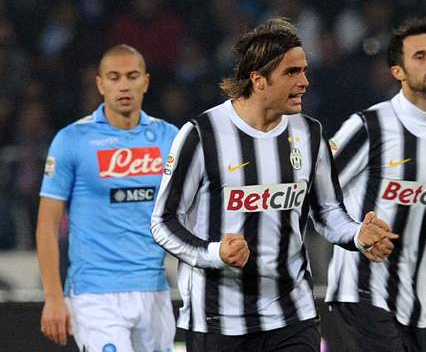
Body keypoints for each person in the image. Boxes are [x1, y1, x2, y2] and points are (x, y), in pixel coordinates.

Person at [151, 18, 398, 352]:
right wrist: (214, 253)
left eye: (305, 70)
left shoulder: (309, 135)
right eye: (292, 72)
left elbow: (326, 211)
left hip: (292, 315)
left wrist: (358, 235)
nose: (305, 82)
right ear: (258, 79)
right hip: (218, 320)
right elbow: (163, 222)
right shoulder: (202, 135)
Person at [325, 18, 426, 352]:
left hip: (413, 301)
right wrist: (357, 235)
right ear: (397, 71)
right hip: (361, 290)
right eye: (420, 56)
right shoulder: (369, 126)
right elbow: (319, 192)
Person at [36, 44, 178, 351]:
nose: (123, 85)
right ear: (100, 84)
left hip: (154, 289)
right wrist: (53, 297)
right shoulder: (72, 140)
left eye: (132, 76)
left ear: (146, 82)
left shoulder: (170, 138)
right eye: (114, 77)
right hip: (94, 294)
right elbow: (47, 224)